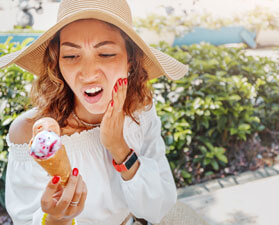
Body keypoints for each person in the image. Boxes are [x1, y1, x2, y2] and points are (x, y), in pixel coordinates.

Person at [0, 0, 188, 224]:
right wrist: (55, 218)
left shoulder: (140, 112)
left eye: (106, 54)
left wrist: (119, 147)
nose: (88, 74)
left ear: (130, 61)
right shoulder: (28, 134)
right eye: (70, 56)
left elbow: (157, 208)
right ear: (57, 63)